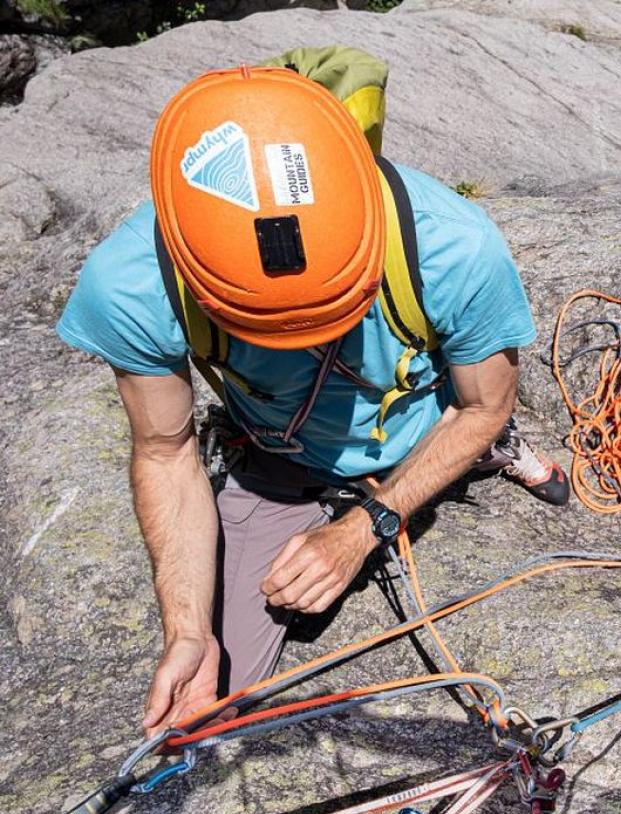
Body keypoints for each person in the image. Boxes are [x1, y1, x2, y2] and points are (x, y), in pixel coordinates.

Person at [56, 65, 568, 738]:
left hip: (431, 415)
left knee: (481, 418)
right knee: (209, 704)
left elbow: (483, 406)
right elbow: (164, 448)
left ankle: (490, 457)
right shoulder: (131, 284)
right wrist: (186, 631)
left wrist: (364, 527)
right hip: (280, 450)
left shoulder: (452, 245)